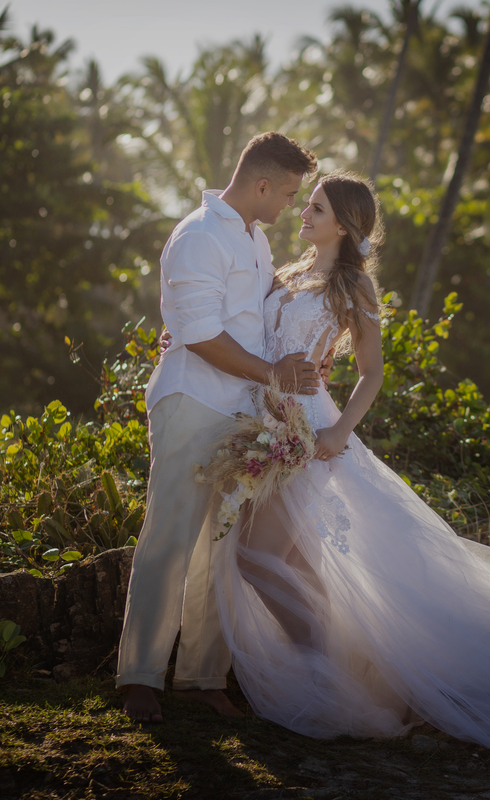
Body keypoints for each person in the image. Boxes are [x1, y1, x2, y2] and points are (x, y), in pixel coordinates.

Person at [208, 170, 490, 766]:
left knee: (258, 559)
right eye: (305, 205)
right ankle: (348, 676)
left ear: (343, 222)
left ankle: (335, 678)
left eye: (315, 208)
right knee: (286, 562)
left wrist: (340, 430)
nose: (303, 215)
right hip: (267, 421)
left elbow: (372, 371)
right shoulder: (284, 275)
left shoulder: (353, 286)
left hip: (313, 433)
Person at [116, 131, 320, 723]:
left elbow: (249, 322)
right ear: (260, 185)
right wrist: (274, 374)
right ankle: (141, 677)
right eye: (285, 194)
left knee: (220, 549)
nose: (287, 208)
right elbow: (201, 334)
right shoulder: (200, 236)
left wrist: (299, 360)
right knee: (171, 537)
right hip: (192, 401)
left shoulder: (251, 238)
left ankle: (203, 678)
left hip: (242, 414)